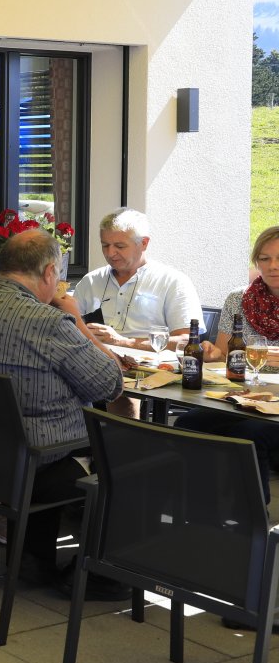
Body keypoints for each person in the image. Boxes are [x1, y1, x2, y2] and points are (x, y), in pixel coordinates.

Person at [0, 229, 125, 592]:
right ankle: (104, 576)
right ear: (50, 272)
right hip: (32, 463)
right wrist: (78, 322)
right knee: (130, 451)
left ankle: (33, 560)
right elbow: (110, 384)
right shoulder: (50, 324)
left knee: (36, 428)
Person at [172, 225, 279, 486]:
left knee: (247, 434)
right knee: (187, 424)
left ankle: (253, 508)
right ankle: (199, 498)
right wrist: (211, 353)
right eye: (265, 258)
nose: (273, 266)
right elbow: (222, 355)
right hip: (245, 397)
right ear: (256, 262)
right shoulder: (238, 299)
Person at [68, 208, 201, 351]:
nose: (110, 253)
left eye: (120, 246)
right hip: (93, 361)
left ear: (144, 243)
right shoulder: (90, 281)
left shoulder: (173, 282)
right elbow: (67, 330)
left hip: (148, 363)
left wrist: (125, 342)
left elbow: (187, 341)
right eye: (105, 245)